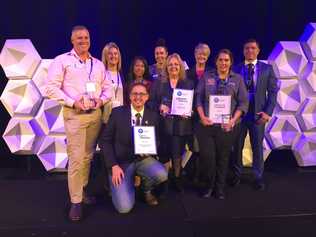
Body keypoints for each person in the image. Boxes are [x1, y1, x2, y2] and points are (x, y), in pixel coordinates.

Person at [46, 25, 111, 221]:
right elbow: (50, 88)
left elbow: (108, 89)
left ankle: (81, 191)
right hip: (74, 115)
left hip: (94, 117)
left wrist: (101, 100)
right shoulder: (62, 61)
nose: (84, 40)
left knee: (88, 156)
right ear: (72, 41)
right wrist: (72, 102)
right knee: (75, 158)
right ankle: (75, 202)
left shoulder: (98, 64)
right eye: (79, 38)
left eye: (86, 37)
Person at [99, 82, 168, 213]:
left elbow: (158, 140)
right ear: (130, 96)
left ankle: (146, 189)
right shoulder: (117, 113)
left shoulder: (153, 116)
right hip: (121, 163)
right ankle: (126, 182)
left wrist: (150, 149)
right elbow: (105, 141)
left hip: (142, 160)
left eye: (142, 94)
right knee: (124, 208)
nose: (138, 97)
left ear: (147, 97)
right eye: (135, 94)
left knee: (161, 174)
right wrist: (113, 165)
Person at [195, 49, 248, 200]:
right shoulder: (207, 76)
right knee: (208, 157)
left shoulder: (237, 79)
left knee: (223, 158)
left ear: (230, 62)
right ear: (216, 61)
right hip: (206, 125)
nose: (223, 63)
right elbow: (198, 98)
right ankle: (208, 186)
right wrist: (202, 116)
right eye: (221, 60)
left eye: (226, 60)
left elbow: (243, 103)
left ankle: (219, 188)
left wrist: (233, 120)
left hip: (227, 127)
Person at [230, 39, 278, 190]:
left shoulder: (267, 69)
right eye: (246, 48)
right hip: (239, 115)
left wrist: (268, 113)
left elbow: (272, 92)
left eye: (253, 48)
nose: (250, 51)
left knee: (257, 147)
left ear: (258, 50)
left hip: (258, 115)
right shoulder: (235, 68)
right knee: (237, 146)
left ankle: (258, 177)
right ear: (243, 51)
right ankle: (236, 175)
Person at [148, 53, 194, 193]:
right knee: (164, 154)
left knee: (177, 154)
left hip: (181, 126)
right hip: (163, 125)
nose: (173, 67)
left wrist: (191, 112)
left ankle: (177, 178)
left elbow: (194, 104)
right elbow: (150, 102)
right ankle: (164, 181)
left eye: (176, 64)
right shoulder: (159, 83)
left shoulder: (188, 83)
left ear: (180, 67)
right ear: (166, 68)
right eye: (170, 65)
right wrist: (159, 107)